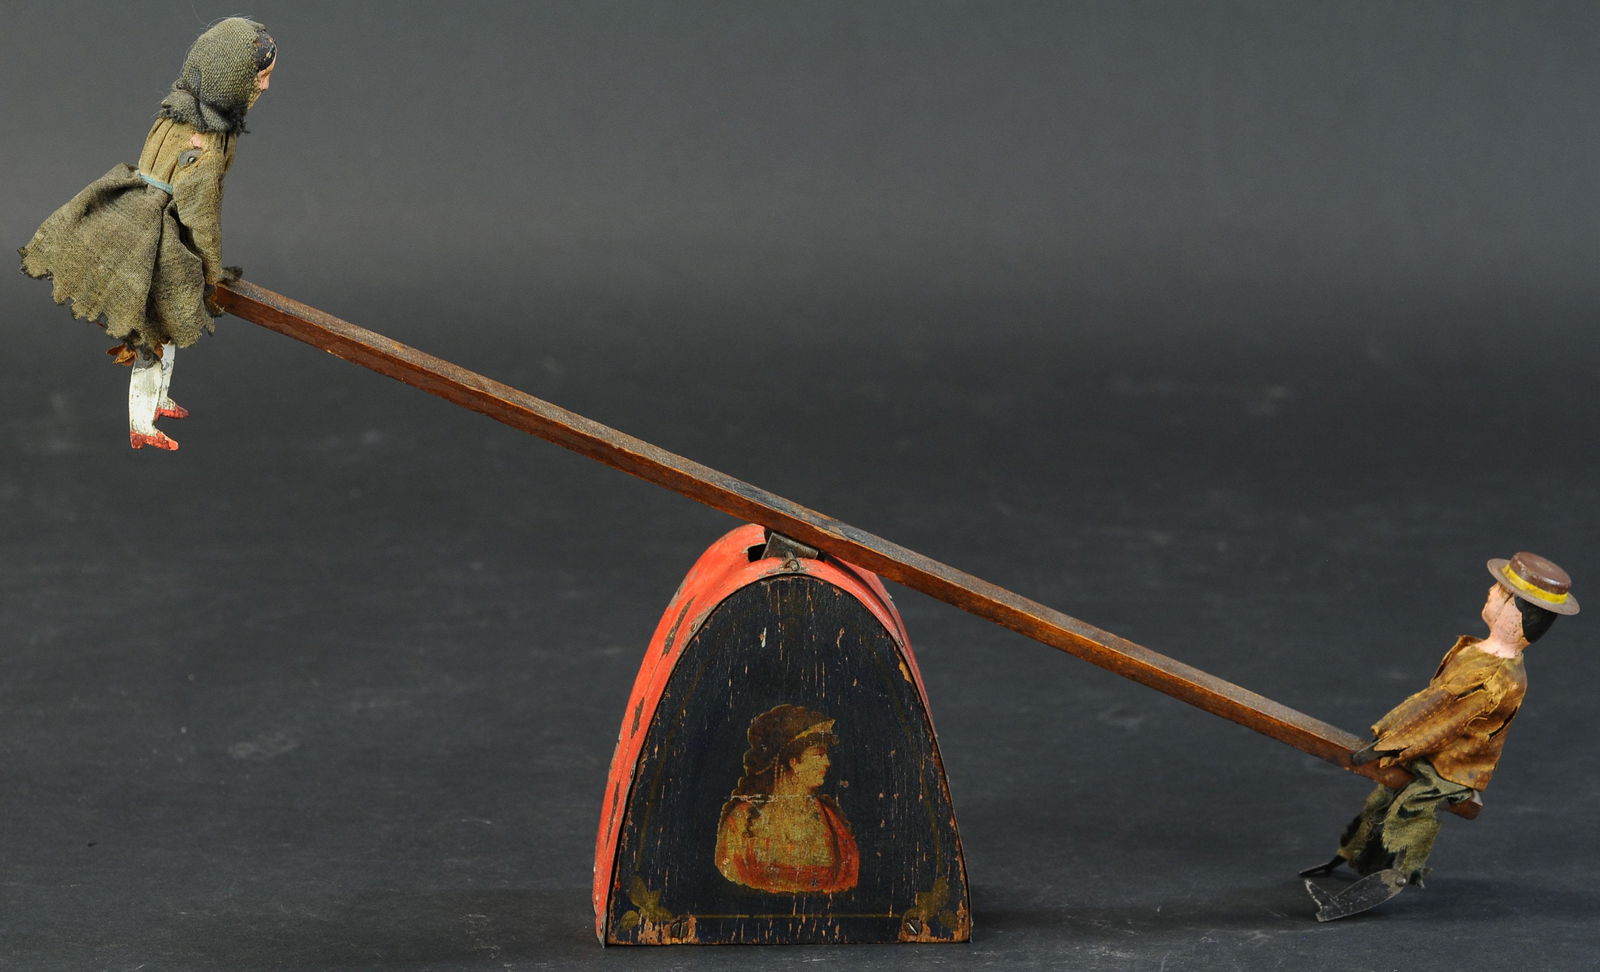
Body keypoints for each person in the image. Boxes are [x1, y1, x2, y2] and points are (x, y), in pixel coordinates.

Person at [20, 18, 277, 450]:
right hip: (153, 239)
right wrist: (211, 268)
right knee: (153, 335)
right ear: (231, 77)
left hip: (133, 206)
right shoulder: (208, 139)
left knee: (166, 328)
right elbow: (198, 211)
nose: (265, 86)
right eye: (260, 76)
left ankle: (158, 399)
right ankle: (141, 422)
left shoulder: (175, 108)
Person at [1301, 551, 1579, 920]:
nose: (1491, 592)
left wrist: (1390, 744)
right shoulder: (1479, 653)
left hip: (1451, 767)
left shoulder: (1496, 677)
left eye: (1501, 591)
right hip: (1431, 750)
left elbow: (1443, 718)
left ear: (1516, 616)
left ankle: (1399, 872)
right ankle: (1353, 856)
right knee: (1381, 799)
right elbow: (1432, 705)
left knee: (1409, 810)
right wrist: (1394, 742)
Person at [715, 704, 860, 894]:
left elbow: (849, 881)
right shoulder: (742, 820)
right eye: (818, 754)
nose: (827, 762)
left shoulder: (832, 821)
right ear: (793, 762)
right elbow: (727, 883)